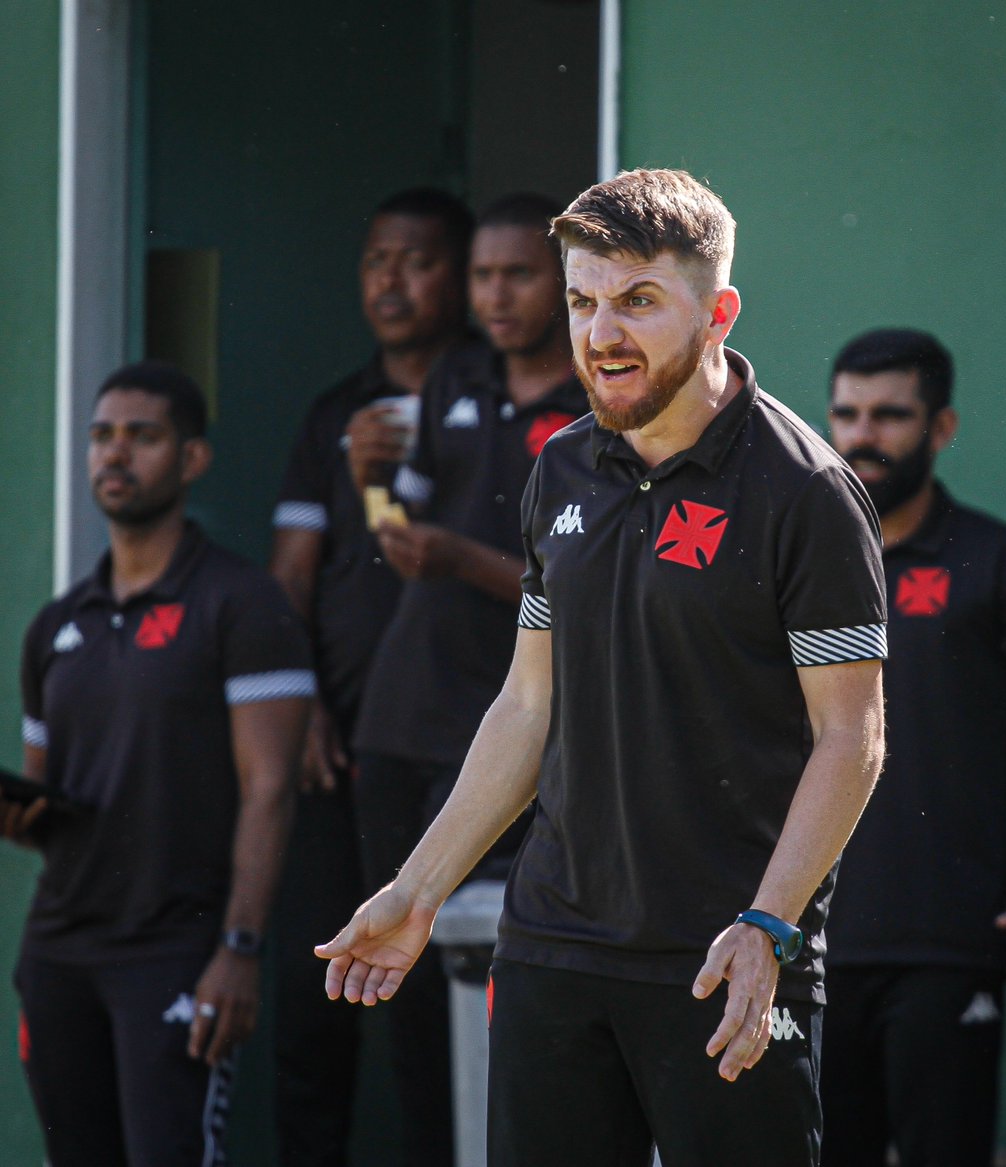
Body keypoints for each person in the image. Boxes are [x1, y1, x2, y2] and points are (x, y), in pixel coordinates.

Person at [317, 168, 888, 1167]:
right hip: (553, 949)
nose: (600, 332)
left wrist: (770, 924)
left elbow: (853, 737)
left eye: (636, 301)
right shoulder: (563, 469)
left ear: (719, 312)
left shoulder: (806, 492)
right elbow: (528, 709)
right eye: (583, 301)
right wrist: (418, 891)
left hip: (727, 960)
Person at [820, 328, 1006, 1167]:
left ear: (941, 427)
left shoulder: (999, 562)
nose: (863, 435)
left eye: (890, 415)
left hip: (944, 941)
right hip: (803, 935)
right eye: (846, 413)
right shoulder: (796, 558)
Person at [7, 361, 313, 1167]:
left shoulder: (242, 603)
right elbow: (49, 802)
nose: (116, 455)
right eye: (102, 436)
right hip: (60, 951)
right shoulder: (54, 628)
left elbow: (272, 788)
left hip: (178, 951)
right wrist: (23, 815)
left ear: (191, 459)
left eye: (142, 437)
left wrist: (239, 948)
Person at [345, 191, 588, 1166]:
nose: (496, 295)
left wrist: (466, 560)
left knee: (503, 979)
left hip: (509, 732)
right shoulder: (457, 374)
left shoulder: (590, 401)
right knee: (392, 967)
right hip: (399, 720)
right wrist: (370, 486)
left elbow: (581, 589)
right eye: (484, 275)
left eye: (518, 274)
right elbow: (402, 536)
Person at [268, 187, 473, 1166]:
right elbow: (291, 575)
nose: (392, 281)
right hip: (336, 746)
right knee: (315, 1000)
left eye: (418, 260)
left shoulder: (494, 398)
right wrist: (298, 701)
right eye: (376, 261)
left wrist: (385, 480)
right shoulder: (335, 412)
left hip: (452, 744)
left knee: (433, 1004)